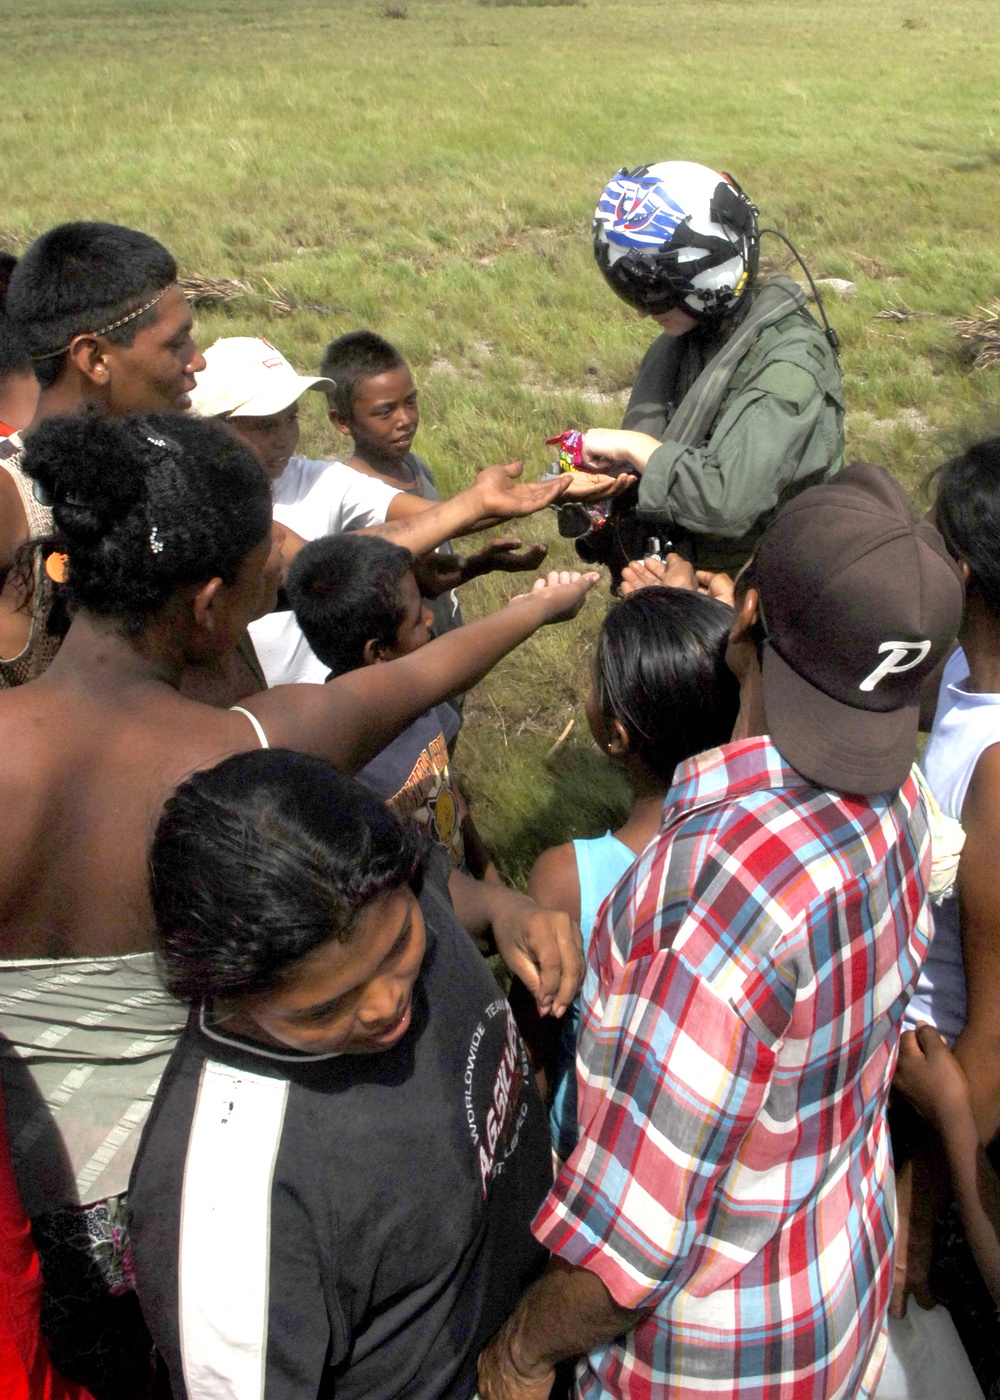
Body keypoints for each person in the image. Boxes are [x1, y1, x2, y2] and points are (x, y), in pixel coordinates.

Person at [0, 409, 594, 1397]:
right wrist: (538, 606)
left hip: (29, 1206)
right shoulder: (240, 754)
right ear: (204, 602)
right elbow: (411, 679)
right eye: (259, 571)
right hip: (200, 1198)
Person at [477, 462, 964, 1400]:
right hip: (829, 1299)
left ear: (744, 618)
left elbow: (634, 1245)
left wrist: (521, 1352)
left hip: (710, 1363)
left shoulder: (717, 893)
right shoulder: (899, 796)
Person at [129, 751, 552, 1400]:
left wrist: (501, 909)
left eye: (402, 946)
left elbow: (439, 887)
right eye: (328, 1007)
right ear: (230, 997)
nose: (387, 1005)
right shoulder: (230, 1208)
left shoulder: (380, 888)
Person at [189, 334, 557, 687]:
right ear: (214, 429)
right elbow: (313, 564)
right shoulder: (200, 507)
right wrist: (479, 502)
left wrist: (554, 491)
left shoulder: (319, 480)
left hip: (326, 697)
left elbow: (432, 517)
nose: (285, 437)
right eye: (267, 425)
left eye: (293, 418)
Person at [526, 587, 739, 1158]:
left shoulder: (566, 877)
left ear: (616, 736)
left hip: (593, 1150)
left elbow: (537, 1046)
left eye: (597, 685)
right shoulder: (759, 855)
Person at [562, 160, 844, 586]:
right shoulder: (695, 334)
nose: (641, 311)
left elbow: (725, 498)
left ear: (709, 274)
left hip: (760, 595)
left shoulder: (791, 366)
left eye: (654, 292)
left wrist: (635, 447)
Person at [0, 221, 207, 689]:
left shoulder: (173, 466)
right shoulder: (12, 497)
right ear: (94, 359)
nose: (197, 361)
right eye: (176, 343)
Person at [287, 530, 487, 871]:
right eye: (415, 619)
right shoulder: (345, 764)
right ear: (379, 652)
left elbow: (446, 787)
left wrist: (487, 874)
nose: (429, 617)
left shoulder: (422, 695)